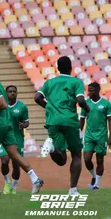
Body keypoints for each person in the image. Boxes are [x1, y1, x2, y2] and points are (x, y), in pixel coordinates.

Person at [0, 62, 43, 196]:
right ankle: (35, 179)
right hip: (7, 124)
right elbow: (0, 101)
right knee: (14, 154)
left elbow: (2, 105)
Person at [35, 56, 90, 195]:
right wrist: (87, 108)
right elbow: (80, 100)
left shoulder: (50, 82)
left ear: (58, 68)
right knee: (76, 155)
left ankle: (53, 148)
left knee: (62, 160)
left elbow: (37, 97)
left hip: (53, 121)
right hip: (70, 121)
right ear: (71, 67)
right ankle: (73, 190)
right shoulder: (76, 82)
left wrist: (49, 108)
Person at [79, 82, 111, 190]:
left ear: (98, 90)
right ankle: (94, 177)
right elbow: (82, 119)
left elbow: (110, 121)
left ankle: (96, 185)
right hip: (89, 135)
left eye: (91, 90)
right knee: (87, 159)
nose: (89, 93)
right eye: (88, 90)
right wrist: (78, 134)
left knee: (100, 161)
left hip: (101, 135)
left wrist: (110, 137)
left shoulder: (106, 104)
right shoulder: (85, 104)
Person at [0, 85, 29, 195]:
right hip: (4, 138)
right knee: (4, 161)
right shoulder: (2, 105)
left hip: (18, 139)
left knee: (16, 164)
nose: (12, 93)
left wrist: (23, 125)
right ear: (6, 94)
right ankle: (7, 182)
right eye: (10, 91)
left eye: (14, 91)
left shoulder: (22, 107)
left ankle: (14, 187)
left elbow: (27, 122)